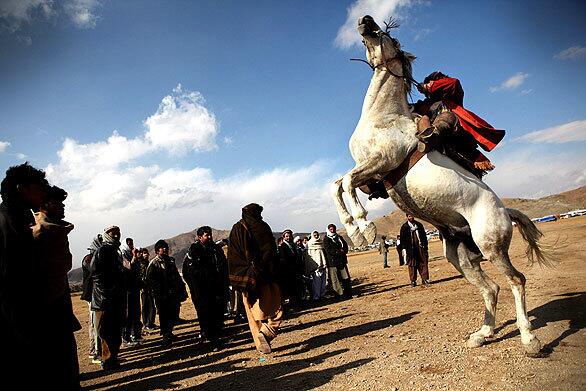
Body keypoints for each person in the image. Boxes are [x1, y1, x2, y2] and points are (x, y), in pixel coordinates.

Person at [0, 163, 80, 389]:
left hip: (41, 319)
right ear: (21, 188)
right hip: (26, 326)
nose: (43, 192)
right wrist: (26, 332)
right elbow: (11, 283)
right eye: (39, 186)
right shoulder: (8, 224)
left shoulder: (20, 220)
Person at [32, 185, 81, 384]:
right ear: (43, 204)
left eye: (62, 202)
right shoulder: (38, 233)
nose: (62, 206)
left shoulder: (55, 230)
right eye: (57, 202)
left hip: (59, 300)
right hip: (46, 305)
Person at [413, 71, 505, 175]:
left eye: (434, 83)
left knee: (447, 116)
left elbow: (453, 83)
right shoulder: (426, 104)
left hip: (455, 131)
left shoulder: (452, 96)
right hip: (438, 133)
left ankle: (431, 137)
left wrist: (428, 86)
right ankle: (426, 136)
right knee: (423, 118)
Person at [227, 203, 283, 354]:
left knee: (252, 312)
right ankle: (267, 333)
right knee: (276, 308)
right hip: (266, 275)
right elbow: (271, 251)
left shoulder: (237, 228)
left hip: (248, 277)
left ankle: (261, 342)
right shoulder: (262, 226)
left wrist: (246, 274)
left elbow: (233, 256)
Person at [182, 226, 229, 348]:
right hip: (201, 289)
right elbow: (189, 272)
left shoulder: (215, 249)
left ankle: (215, 336)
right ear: (199, 237)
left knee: (217, 312)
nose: (209, 237)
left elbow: (222, 265)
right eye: (206, 235)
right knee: (205, 313)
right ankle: (208, 338)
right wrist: (196, 287)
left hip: (216, 287)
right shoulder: (193, 251)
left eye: (210, 235)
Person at [90, 225, 126, 370]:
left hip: (115, 298)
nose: (116, 236)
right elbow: (95, 272)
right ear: (106, 235)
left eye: (118, 233)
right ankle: (107, 361)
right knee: (106, 330)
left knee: (116, 329)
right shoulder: (103, 251)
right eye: (112, 233)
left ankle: (113, 358)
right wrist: (106, 290)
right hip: (103, 300)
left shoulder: (115, 251)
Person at [147, 239, 187, 346]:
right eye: (161, 247)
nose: (164, 249)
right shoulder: (154, 264)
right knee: (164, 315)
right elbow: (152, 281)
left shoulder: (171, 261)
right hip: (162, 295)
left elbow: (177, 276)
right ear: (156, 251)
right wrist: (161, 292)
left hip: (173, 294)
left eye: (166, 247)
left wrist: (181, 288)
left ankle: (169, 332)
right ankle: (165, 335)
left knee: (173, 314)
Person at [82, 234, 103, 363]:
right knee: (94, 324)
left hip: (98, 296)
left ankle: (98, 349)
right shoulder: (89, 259)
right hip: (92, 296)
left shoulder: (98, 257)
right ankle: (94, 351)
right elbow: (94, 271)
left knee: (98, 324)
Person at [399, 213, 430, 287]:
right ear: (407, 217)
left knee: (423, 263)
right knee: (412, 265)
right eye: (409, 216)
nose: (411, 217)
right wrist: (404, 249)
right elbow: (402, 239)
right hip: (410, 249)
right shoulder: (404, 227)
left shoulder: (419, 225)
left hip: (420, 247)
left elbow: (424, 236)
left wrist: (425, 246)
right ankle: (413, 281)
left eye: (412, 216)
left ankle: (424, 279)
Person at [323, 223, 352, 299]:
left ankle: (348, 293)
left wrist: (343, 251)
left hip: (342, 261)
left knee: (345, 278)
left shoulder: (339, 237)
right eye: (331, 229)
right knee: (335, 280)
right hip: (332, 262)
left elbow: (345, 246)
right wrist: (338, 251)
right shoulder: (326, 239)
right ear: (328, 230)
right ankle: (339, 294)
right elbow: (328, 250)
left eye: (333, 229)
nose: (332, 230)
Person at [278, 229, 304, 309]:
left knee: (297, 287)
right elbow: (283, 259)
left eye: (290, 236)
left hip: (296, 269)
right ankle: (291, 305)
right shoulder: (282, 247)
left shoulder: (293, 245)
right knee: (290, 288)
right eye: (287, 236)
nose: (288, 237)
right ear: (284, 237)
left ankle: (297, 303)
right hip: (288, 270)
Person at [122, 247, 143, 345]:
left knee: (136, 314)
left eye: (131, 244)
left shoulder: (135, 259)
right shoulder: (122, 258)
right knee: (128, 315)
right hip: (127, 292)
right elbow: (128, 270)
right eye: (128, 244)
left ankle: (136, 335)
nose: (131, 246)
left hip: (135, 290)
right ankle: (126, 337)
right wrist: (134, 258)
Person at [305, 231, 327, 300]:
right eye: (315, 235)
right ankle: (316, 297)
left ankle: (322, 295)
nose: (316, 236)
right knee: (316, 283)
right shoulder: (310, 244)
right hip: (315, 266)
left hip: (322, 265)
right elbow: (308, 257)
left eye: (317, 235)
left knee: (323, 282)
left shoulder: (321, 243)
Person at [139, 248, 157, 331]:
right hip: (144, 289)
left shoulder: (148, 263)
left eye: (146, 253)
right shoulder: (140, 264)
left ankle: (151, 322)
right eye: (144, 253)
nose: (146, 254)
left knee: (152, 306)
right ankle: (146, 323)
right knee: (145, 306)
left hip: (150, 287)